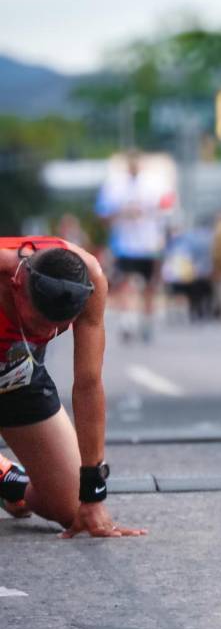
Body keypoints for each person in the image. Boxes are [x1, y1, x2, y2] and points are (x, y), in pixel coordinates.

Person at [0, 237, 146, 538]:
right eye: (39, 322)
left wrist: (93, 493)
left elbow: (88, 384)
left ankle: (7, 481)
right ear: (17, 287)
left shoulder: (89, 278)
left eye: (59, 326)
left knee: (71, 507)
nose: (48, 332)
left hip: (16, 375)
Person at [95, 152, 172, 343]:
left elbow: (168, 208)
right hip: (124, 244)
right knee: (124, 284)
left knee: (149, 286)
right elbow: (103, 214)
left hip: (150, 243)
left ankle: (146, 322)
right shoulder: (114, 185)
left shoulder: (155, 183)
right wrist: (122, 213)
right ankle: (126, 322)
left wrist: (151, 213)